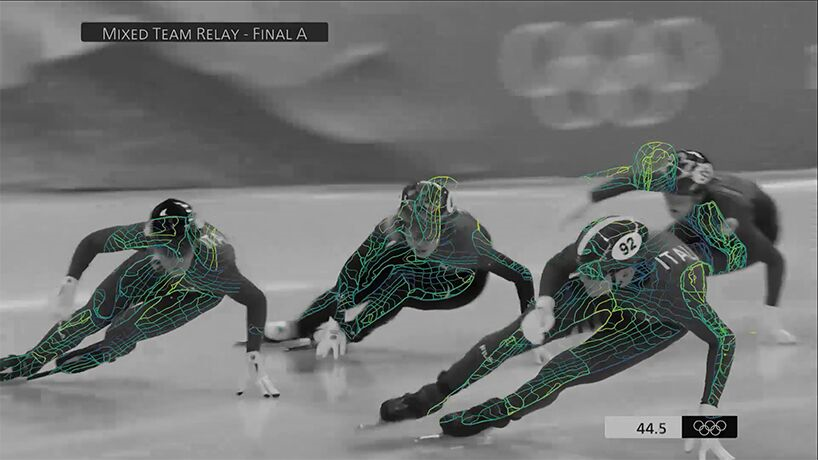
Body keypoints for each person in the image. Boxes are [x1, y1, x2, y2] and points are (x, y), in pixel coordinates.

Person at [379, 216, 735, 460]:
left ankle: (491, 415)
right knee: (512, 337)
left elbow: (723, 339)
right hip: (621, 292)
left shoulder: (679, 291)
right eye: (587, 270)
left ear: (628, 268)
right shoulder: (600, 250)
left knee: (560, 371)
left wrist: (708, 416)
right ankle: (429, 396)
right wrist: (545, 305)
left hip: (653, 322)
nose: (588, 279)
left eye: (596, 273)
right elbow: (558, 265)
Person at [0, 199, 279, 398]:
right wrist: (70, 282)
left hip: (198, 291)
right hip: (153, 269)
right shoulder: (151, 237)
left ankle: (111, 349)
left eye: (173, 254)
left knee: (125, 330)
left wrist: (253, 352)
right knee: (94, 315)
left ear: (191, 247)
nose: (166, 259)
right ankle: (30, 360)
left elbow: (256, 300)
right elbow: (93, 242)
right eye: (160, 249)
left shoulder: (218, 267)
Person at [265, 177, 536, 360]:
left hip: (461, 283)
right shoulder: (391, 227)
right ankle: (301, 326)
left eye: (426, 225)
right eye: (411, 221)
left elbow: (521, 275)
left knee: (401, 279)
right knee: (373, 277)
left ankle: (352, 332)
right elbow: (351, 274)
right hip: (427, 263)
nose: (417, 231)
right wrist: (333, 320)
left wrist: (530, 326)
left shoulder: (468, 242)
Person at [563, 141, 795, 344]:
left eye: (678, 197)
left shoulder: (731, 212)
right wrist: (588, 199)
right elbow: (630, 180)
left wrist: (771, 319)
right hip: (702, 219)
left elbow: (776, 260)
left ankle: (631, 314)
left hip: (742, 241)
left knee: (669, 265)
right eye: (667, 194)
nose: (671, 204)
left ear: (698, 194)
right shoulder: (679, 183)